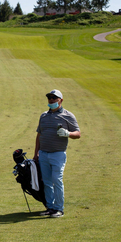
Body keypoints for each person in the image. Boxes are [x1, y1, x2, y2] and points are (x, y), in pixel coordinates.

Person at [33, 90, 80, 218]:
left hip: (58, 154)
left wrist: (68, 133)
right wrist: (36, 153)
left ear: (61, 100)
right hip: (43, 154)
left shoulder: (67, 116)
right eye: (49, 98)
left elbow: (78, 134)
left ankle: (59, 209)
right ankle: (50, 207)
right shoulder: (43, 116)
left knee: (56, 180)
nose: (51, 100)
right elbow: (39, 135)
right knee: (47, 182)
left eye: (54, 98)